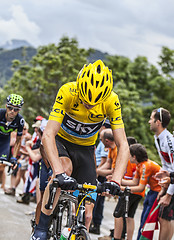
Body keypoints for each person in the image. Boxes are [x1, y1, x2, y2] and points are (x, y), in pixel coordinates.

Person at [31, 59, 130, 240]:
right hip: (60, 142)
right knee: (64, 171)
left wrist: (116, 180)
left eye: (94, 103)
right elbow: (48, 135)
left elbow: (123, 144)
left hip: (85, 149)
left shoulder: (112, 100)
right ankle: (41, 230)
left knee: (87, 214)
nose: (89, 105)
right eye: (85, 101)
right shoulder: (68, 91)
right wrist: (59, 173)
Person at [121, 143, 161, 240]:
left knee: (146, 221)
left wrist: (123, 188)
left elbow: (140, 188)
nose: (128, 157)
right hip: (152, 191)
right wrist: (118, 181)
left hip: (157, 192)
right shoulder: (140, 165)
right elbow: (134, 182)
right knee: (143, 219)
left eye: (129, 155)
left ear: (134, 156)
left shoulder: (145, 166)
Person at [149, 107, 174, 240]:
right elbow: (166, 165)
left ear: (158, 122)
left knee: (165, 218)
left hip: (173, 184)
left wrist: (168, 195)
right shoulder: (158, 138)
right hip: (170, 182)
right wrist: (163, 188)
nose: (149, 122)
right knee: (163, 217)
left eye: (151, 119)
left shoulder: (169, 140)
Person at [0, 94, 25, 194]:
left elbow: (18, 141)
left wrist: (14, 157)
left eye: (16, 109)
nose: (12, 111)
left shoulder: (20, 120)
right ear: (6, 106)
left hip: (5, 141)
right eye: (10, 108)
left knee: (2, 167)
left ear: (19, 110)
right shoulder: (0, 113)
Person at [89, 121, 110, 235]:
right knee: (96, 200)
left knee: (96, 200)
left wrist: (96, 173)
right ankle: (94, 223)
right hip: (98, 170)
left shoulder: (104, 142)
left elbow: (103, 161)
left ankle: (96, 224)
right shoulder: (102, 141)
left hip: (100, 172)